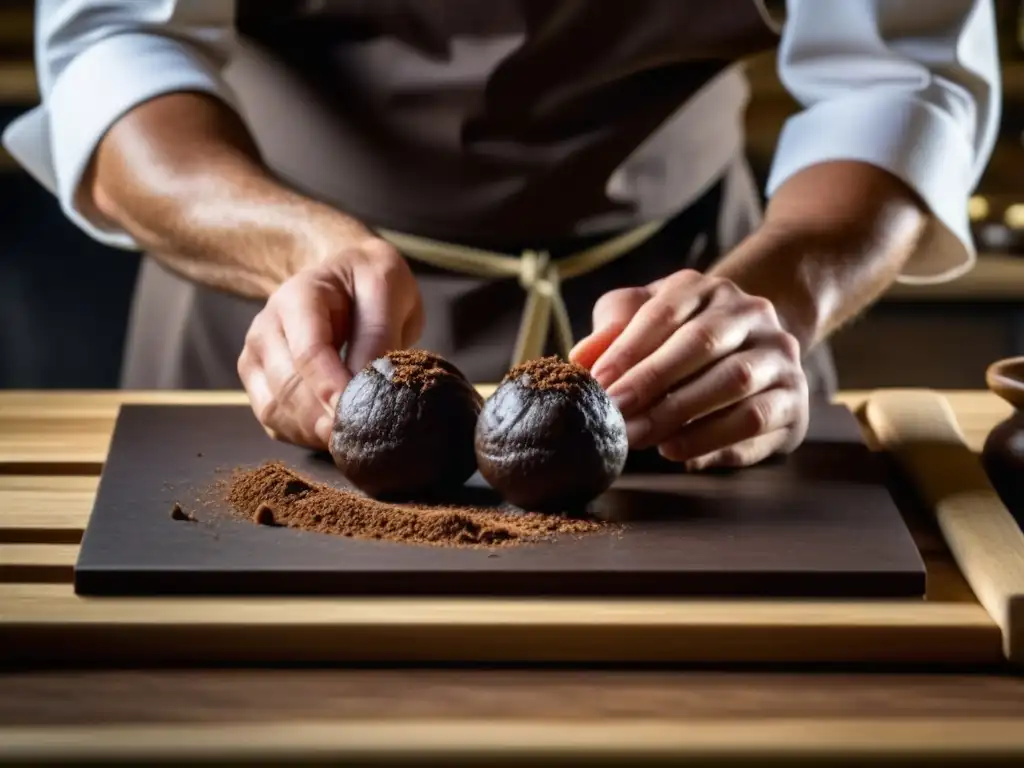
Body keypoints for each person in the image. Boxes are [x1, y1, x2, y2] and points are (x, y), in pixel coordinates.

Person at [5, 0, 999, 470]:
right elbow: (114, 46)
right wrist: (293, 250)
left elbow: (894, 75)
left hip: (687, 318)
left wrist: (773, 303)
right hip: (279, 310)